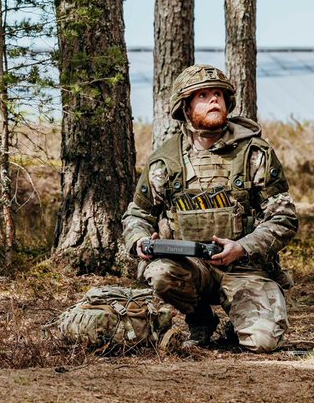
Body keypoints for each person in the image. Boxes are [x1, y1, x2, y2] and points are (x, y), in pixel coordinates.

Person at [122, 65, 298, 352]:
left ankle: (238, 323)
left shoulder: (254, 154)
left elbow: (284, 219)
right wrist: (139, 241)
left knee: (262, 343)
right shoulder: (165, 162)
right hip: (192, 268)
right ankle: (200, 319)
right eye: (203, 95)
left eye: (218, 94)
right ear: (186, 108)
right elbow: (138, 215)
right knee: (160, 274)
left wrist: (242, 247)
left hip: (245, 268)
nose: (214, 100)